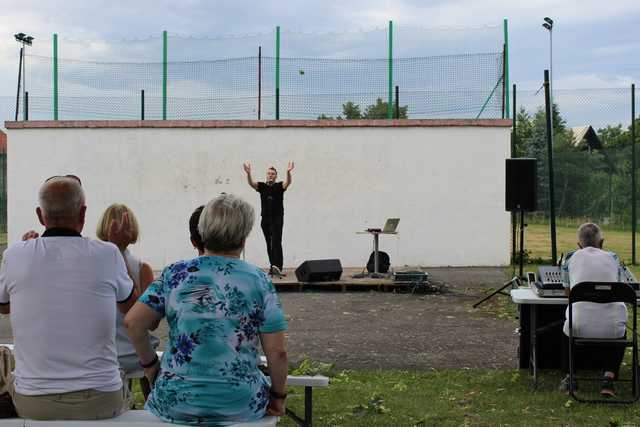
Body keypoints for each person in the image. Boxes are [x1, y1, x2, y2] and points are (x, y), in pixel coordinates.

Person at [125, 193, 289, 425]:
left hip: (176, 401)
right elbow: (277, 352)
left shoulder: (174, 274)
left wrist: (151, 367)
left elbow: (133, 323)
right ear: (244, 237)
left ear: (202, 232)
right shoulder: (258, 280)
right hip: (240, 402)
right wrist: (278, 397)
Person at [0, 175, 136, 419]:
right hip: (101, 400)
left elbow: (3, 308)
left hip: (34, 402)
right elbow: (130, 307)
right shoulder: (108, 253)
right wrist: (121, 249)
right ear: (83, 214)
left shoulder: (15, 255)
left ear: (40, 215)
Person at [96, 204, 159, 398]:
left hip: (105, 353)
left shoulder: (93, 266)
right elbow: (152, 322)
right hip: (139, 353)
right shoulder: (143, 268)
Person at [560, 222, 627, 397]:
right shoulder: (613, 257)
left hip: (579, 326)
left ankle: (571, 377)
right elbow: (618, 288)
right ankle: (608, 379)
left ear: (578, 245)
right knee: (621, 329)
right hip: (613, 328)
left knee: (568, 327)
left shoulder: (569, 258)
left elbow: (569, 293)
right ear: (602, 242)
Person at [243, 162, 294, 276]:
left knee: (276, 241)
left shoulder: (279, 186)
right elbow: (251, 183)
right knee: (268, 243)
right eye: (269, 173)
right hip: (265, 219)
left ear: (276, 176)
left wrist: (288, 172)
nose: (270, 175)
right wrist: (248, 173)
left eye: (273, 174)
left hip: (277, 218)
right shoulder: (262, 186)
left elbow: (288, 182)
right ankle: (273, 266)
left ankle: (278, 266)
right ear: (266, 175)